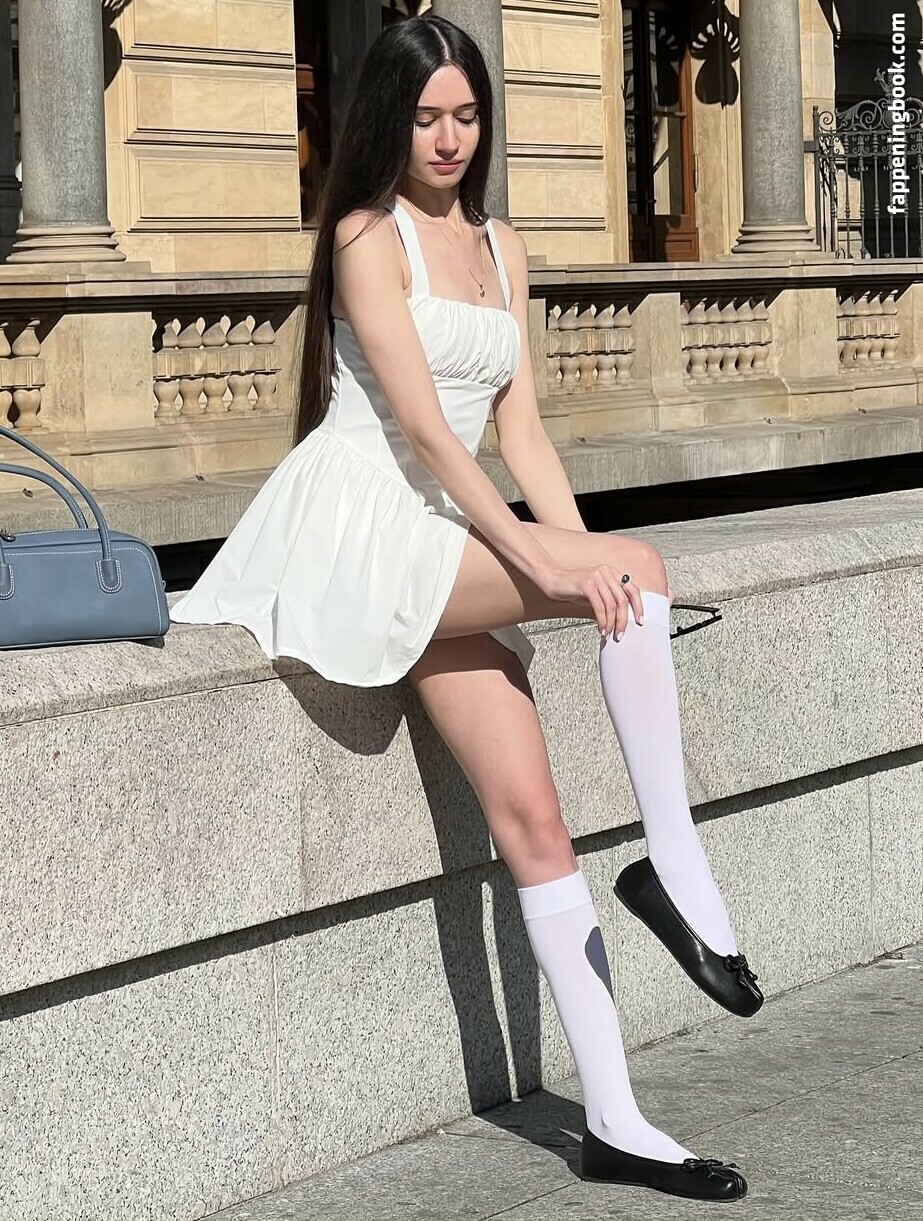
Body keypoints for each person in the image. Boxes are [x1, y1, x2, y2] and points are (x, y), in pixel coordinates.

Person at [170, 14, 762, 1202]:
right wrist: (548, 560)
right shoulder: (361, 236)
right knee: (639, 567)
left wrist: (581, 559)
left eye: (466, 115)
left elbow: (519, 431)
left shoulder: (501, 244)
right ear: (388, 122)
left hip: (445, 534)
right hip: (363, 524)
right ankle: (677, 873)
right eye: (425, 117)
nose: (447, 138)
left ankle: (614, 1121)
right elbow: (430, 436)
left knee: (536, 819)